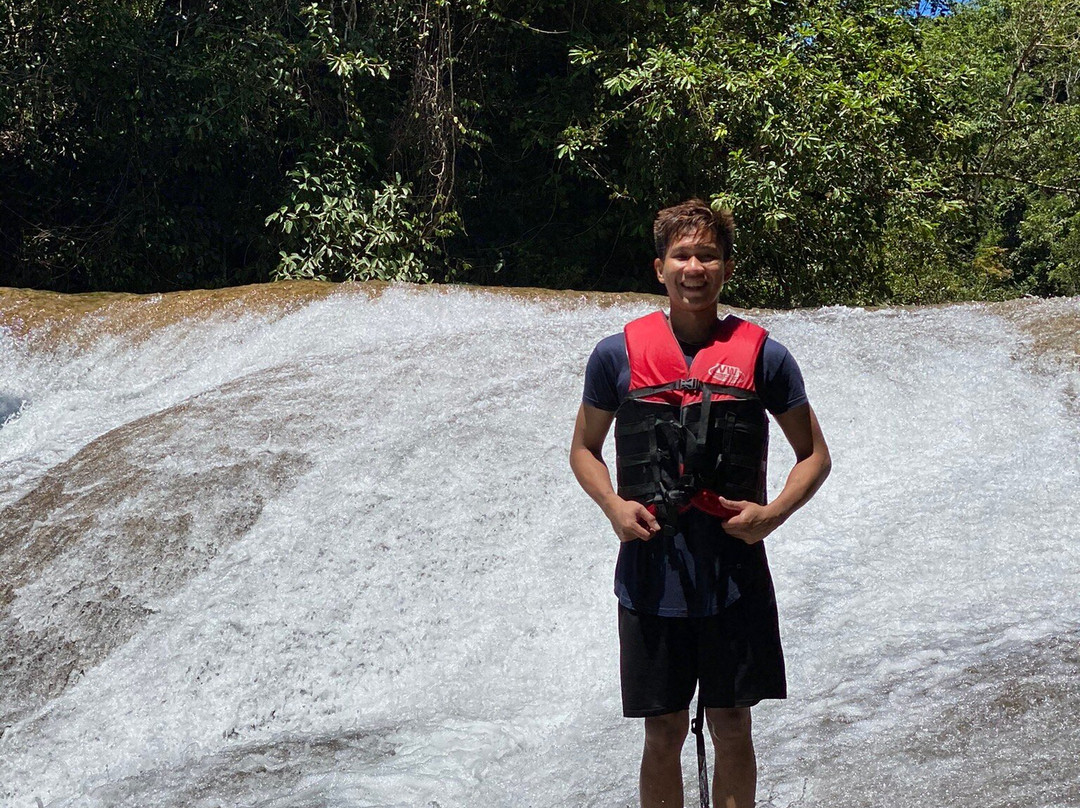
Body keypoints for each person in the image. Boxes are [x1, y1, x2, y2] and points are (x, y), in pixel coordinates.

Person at [569, 199, 831, 808]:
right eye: (682, 255)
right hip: (650, 570)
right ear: (660, 268)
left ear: (726, 268)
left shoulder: (765, 357)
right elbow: (583, 449)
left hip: (732, 570)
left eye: (708, 256)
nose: (695, 268)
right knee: (662, 730)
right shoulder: (615, 356)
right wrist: (612, 505)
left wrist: (772, 515)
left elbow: (814, 456)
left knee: (732, 724)